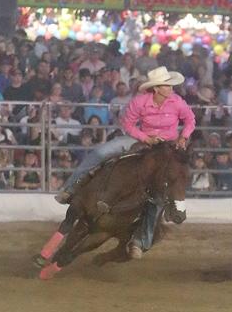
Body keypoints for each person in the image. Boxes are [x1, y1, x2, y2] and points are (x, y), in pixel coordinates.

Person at [55, 65, 195, 258]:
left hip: (168, 147)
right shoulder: (140, 102)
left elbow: (190, 120)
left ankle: (141, 240)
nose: (171, 88)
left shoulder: (177, 101)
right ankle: (70, 188)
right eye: (166, 85)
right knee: (100, 153)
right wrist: (145, 138)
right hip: (141, 140)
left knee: (162, 190)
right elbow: (127, 124)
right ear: (156, 88)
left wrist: (183, 138)